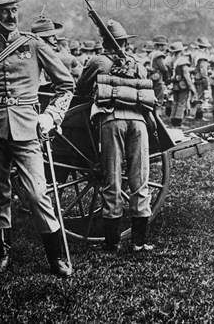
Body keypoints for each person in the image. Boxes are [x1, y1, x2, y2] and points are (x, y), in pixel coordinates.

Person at [0, 0, 74, 277]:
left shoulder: (34, 45)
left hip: (27, 129)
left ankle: (56, 257)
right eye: (4, 11)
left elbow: (66, 85)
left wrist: (51, 115)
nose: (11, 15)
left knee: (38, 194)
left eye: (14, 10)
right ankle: (2, 256)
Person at [75, 20, 154, 252]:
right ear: (125, 42)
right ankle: (139, 242)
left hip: (111, 121)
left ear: (104, 41)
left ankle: (112, 243)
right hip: (139, 122)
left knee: (113, 180)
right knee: (140, 180)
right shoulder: (138, 64)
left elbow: (80, 90)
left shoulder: (98, 61)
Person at [31, 16, 81, 81]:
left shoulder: (45, 54)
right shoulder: (35, 56)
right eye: (52, 35)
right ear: (42, 38)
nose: (56, 38)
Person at [169, 41, 197, 127]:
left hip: (175, 85)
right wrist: (192, 88)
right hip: (183, 86)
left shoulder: (172, 61)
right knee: (181, 103)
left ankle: (173, 120)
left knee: (175, 102)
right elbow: (186, 76)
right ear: (181, 51)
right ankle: (178, 122)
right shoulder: (183, 61)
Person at [148, 35, 170, 117]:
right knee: (159, 101)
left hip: (151, 78)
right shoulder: (159, 55)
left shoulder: (151, 54)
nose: (165, 47)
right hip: (158, 79)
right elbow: (163, 68)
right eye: (164, 45)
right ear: (160, 46)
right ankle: (158, 118)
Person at [192, 37, 212, 120]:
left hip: (195, 77)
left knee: (197, 96)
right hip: (200, 78)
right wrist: (206, 82)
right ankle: (199, 116)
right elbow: (203, 71)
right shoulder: (203, 57)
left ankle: (197, 114)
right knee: (200, 98)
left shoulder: (195, 55)